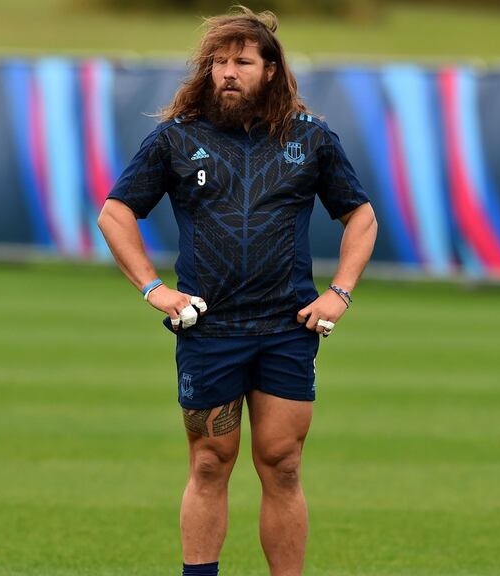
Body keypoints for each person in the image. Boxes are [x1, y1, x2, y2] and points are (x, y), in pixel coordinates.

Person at [98, 7, 377, 576]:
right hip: (210, 329)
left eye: (242, 62)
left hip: (287, 330)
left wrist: (339, 294)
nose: (227, 72)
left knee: (283, 465)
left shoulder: (312, 138)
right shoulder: (176, 139)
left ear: (270, 70)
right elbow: (115, 212)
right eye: (217, 62)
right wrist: (155, 289)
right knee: (208, 462)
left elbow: (362, 217)